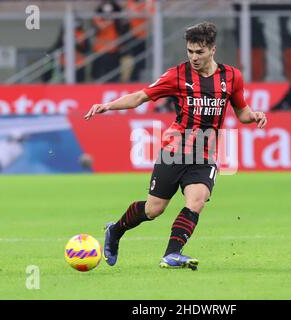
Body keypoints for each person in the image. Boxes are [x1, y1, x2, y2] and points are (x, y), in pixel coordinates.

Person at [84, 22, 267, 270]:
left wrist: (254, 115)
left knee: (197, 200)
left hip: (205, 153)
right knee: (153, 209)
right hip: (175, 151)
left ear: (212, 50)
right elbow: (139, 97)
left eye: (199, 52)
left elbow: (242, 112)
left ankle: (171, 254)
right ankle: (115, 230)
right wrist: (108, 105)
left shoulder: (232, 76)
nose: (193, 57)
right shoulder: (177, 75)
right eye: (190, 51)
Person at [91, 0, 128, 82]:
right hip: (100, 49)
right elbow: (99, 26)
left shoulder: (116, 7)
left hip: (113, 48)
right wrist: (109, 20)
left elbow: (122, 24)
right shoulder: (99, 10)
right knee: (100, 72)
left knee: (113, 71)